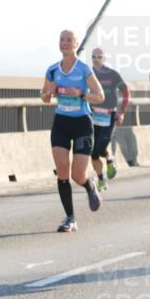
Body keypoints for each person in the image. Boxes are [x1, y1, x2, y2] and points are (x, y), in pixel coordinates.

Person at [41, 30, 105, 231]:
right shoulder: (52, 70)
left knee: (78, 175)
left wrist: (82, 93)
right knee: (62, 171)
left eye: (69, 40)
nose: (65, 43)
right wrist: (47, 94)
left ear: (76, 44)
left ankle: (89, 185)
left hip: (82, 124)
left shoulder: (84, 69)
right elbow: (44, 96)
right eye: (62, 39)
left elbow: (100, 96)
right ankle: (70, 218)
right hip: (61, 122)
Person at [90, 48, 131, 188]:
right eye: (93, 56)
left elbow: (126, 91)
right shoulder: (88, 74)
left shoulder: (112, 75)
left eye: (99, 57)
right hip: (92, 115)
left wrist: (122, 112)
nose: (96, 59)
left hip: (109, 116)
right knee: (93, 152)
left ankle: (109, 159)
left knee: (101, 148)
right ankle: (101, 178)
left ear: (104, 59)